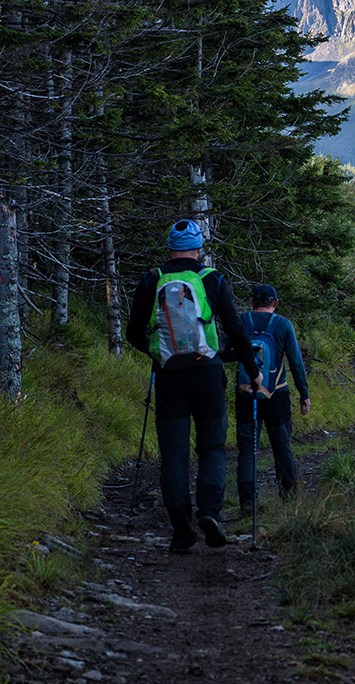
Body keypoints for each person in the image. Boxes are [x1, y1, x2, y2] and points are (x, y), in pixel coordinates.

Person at [125, 218, 264, 553]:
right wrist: (253, 370)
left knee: (174, 453)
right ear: (199, 249)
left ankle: (182, 533)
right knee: (212, 446)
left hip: (169, 375)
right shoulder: (211, 279)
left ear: (170, 249)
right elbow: (235, 329)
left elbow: (132, 333)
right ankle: (209, 513)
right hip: (208, 374)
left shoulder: (152, 279)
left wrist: (158, 354)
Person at [236, 284, 311, 510]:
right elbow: (296, 361)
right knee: (281, 446)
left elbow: (226, 350)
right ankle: (288, 498)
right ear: (275, 303)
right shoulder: (283, 325)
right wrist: (304, 394)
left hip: (246, 393)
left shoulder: (241, 321)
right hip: (277, 394)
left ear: (252, 303)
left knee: (247, 449)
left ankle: (247, 503)